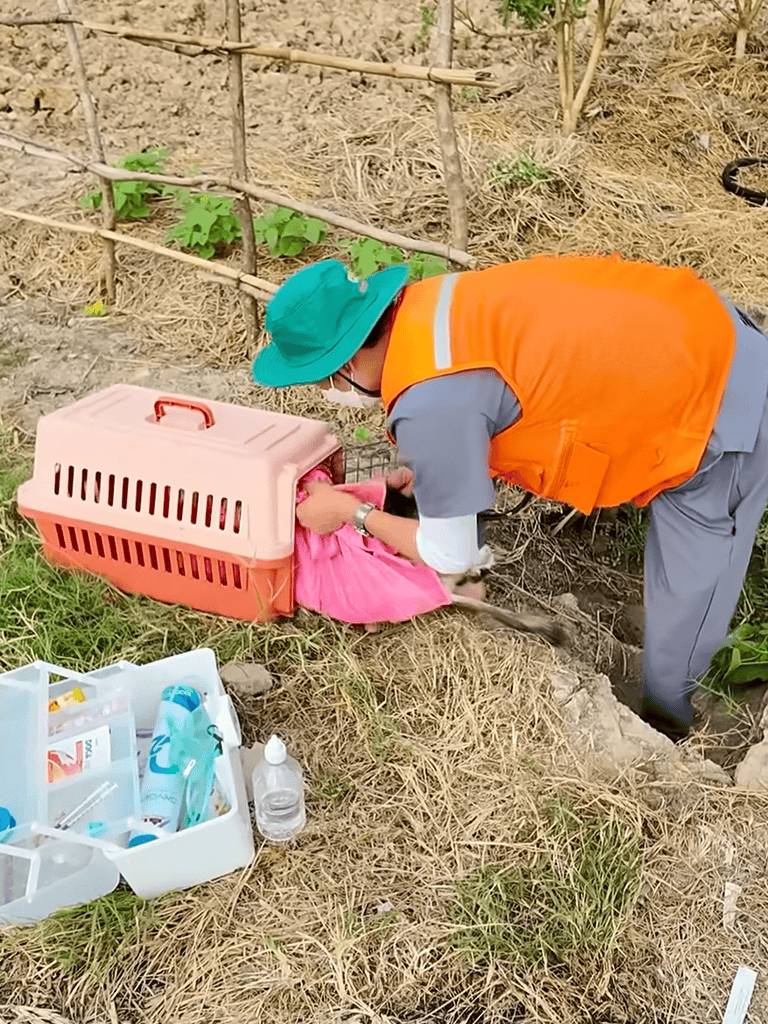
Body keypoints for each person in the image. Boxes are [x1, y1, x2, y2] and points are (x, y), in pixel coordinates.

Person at [251, 254, 768, 742]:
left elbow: (453, 554)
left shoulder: (430, 402)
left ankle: (668, 723)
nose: (327, 391)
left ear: (346, 359)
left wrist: (350, 511)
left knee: (689, 596)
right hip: (687, 326)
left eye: (322, 379)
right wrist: (442, 472)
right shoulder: (428, 310)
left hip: (722, 401)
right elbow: (502, 390)